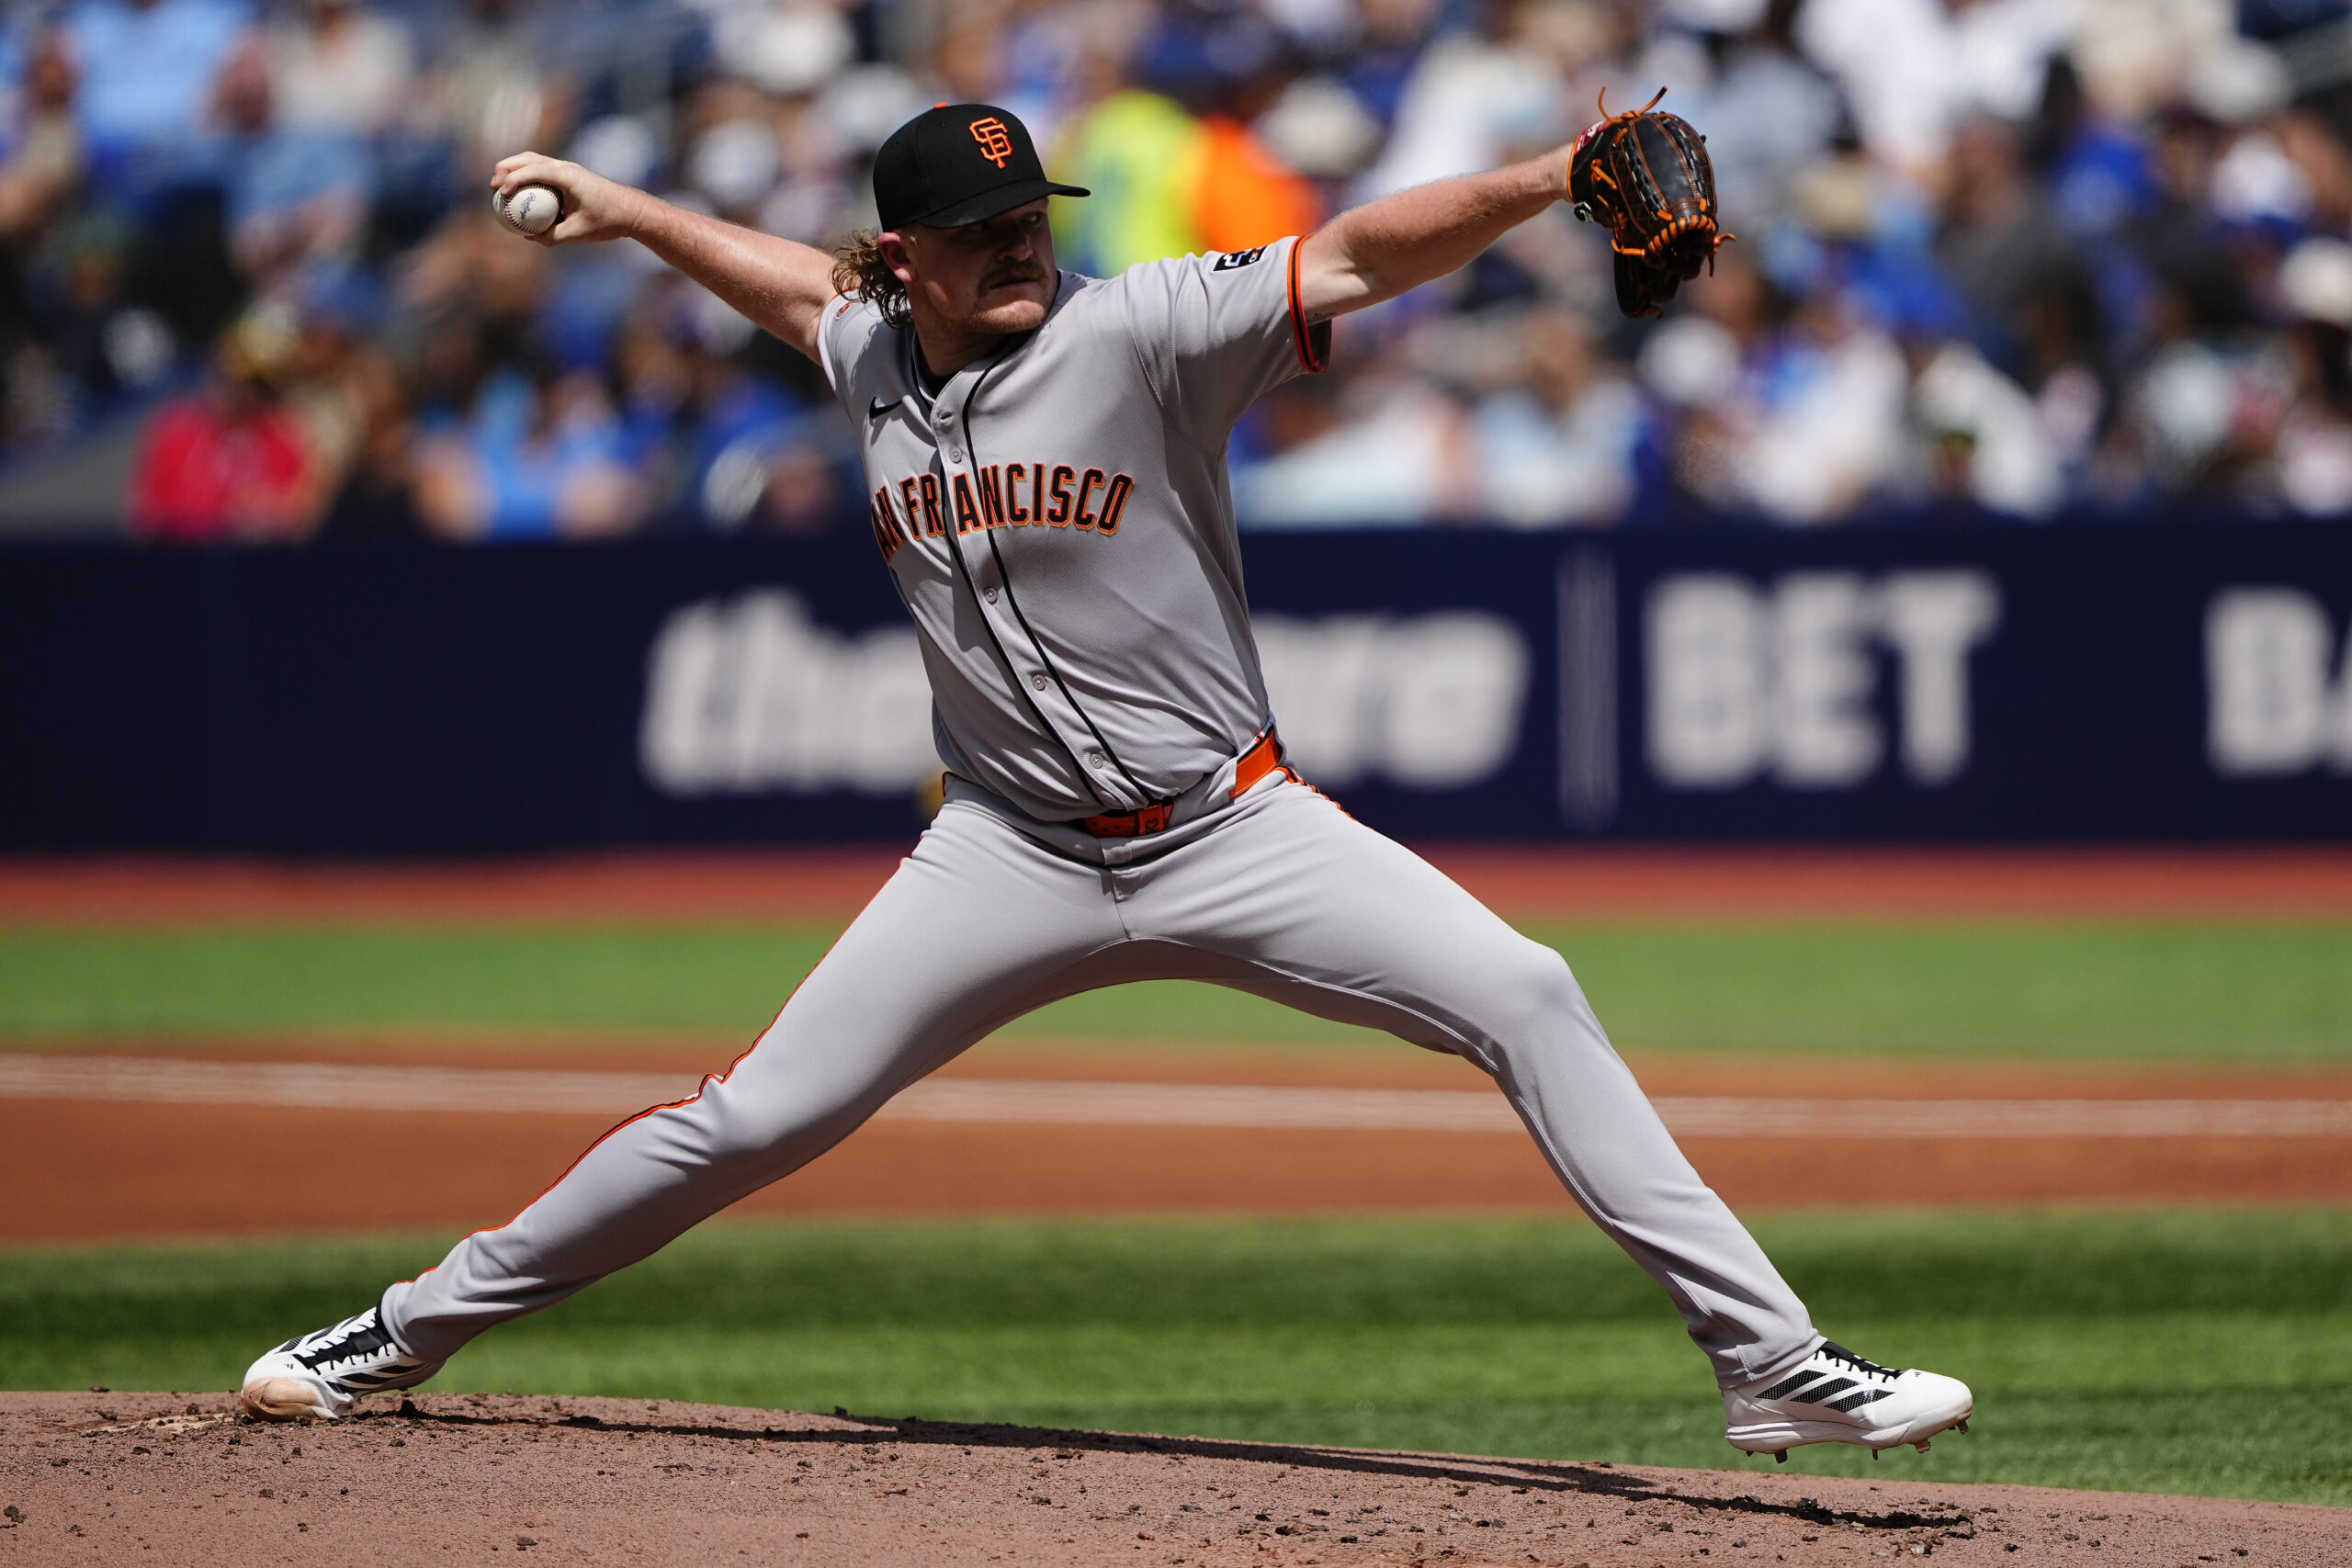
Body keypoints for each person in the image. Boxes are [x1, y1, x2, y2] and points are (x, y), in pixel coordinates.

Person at [238, 103, 1973, 1465]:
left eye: (1029, 220)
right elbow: (775, 278)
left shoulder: (1143, 332)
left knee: (1527, 991)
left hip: (1235, 825)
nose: (1017, 248)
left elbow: (1355, 256)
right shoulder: (867, 351)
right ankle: (408, 1327)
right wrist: (622, 209)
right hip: (1000, 854)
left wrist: (1550, 173)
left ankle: (1772, 1365)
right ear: (903, 256)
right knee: (754, 1118)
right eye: (981, 232)